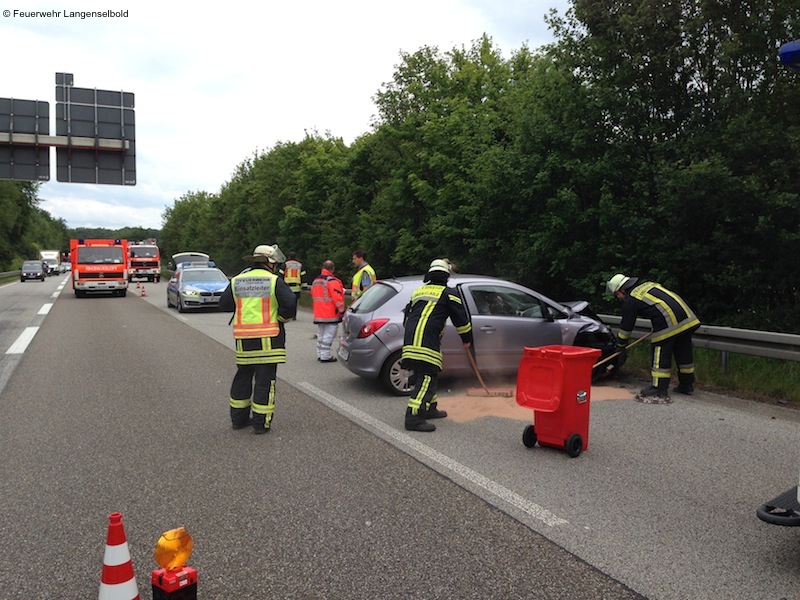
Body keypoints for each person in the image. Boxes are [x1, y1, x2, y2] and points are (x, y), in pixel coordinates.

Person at [220, 244, 297, 434]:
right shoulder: (273, 281)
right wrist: (280, 319)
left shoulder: (237, 280)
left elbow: (224, 304)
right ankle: (261, 424)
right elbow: (289, 304)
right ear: (269, 263)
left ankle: (238, 420)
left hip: (244, 342)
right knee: (265, 382)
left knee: (243, 378)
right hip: (269, 341)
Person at [402, 259, 473, 432]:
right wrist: (466, 338)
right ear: (446, 277)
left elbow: (406, 316)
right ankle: (413, 417)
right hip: (426, 343)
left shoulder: (418, 291)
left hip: (410, 340)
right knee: (426, 377)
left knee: (428, 374)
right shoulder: (448, 293)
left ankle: (430, 408)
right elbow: (461, 320)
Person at [606, 273, 700, 404]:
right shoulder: (648, 285)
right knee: (683, 352)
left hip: (668, 322)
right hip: (688, 317)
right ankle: (686, 384)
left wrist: (621, 344)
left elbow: (626, 325)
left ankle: (659, 387)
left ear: (622, 289)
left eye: (617, 294)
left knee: (660, 352)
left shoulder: (631, 299)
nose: (619, 297)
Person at [311, 260, 345, 362]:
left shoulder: (316, 281)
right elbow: (337, 298)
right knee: (329, 335)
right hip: (330, 313)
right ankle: (325, 356)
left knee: (321, 334)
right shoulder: (332, 281)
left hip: (319, 313)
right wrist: (342, 311)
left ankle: (320, 354)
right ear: (332, 269)